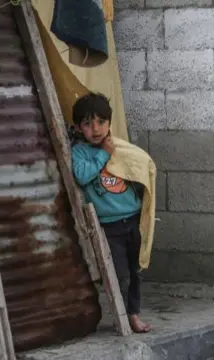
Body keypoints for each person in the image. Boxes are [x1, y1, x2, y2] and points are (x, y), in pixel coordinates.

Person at [70, 92, 152, 333]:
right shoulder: (80, 153)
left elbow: (137, 169)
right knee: (120, 274)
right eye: (87, 123)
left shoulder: (119, 146)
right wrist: (104, 154)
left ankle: (134, 314)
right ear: (78, 127)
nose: (95, 129)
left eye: (101, 122)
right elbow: (82, 175)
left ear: (109, 123)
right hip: (109, 225)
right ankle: (123, 316)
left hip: (134, 219)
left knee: (136, 271)